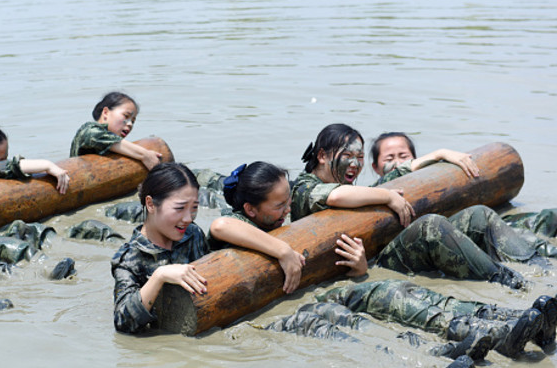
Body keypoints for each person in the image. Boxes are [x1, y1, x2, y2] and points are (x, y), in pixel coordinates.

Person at [292, 123, 529, 289]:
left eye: (360, 157)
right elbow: (334, 197)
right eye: (347, 155)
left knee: (479, 215)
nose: (355, 164)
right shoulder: (303, 187)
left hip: (370, 256)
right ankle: (504, 281)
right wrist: (387, 197)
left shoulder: (360, 188)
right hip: (353, 269)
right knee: (431, 226)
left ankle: (532, 265)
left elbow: (397, 175)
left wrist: (439, 154)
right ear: (322, 156)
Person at [267, 279, 557, 360]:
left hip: (353, 287)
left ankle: (515, 320)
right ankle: (486, 337)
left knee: (443, 302)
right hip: (337, 296)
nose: (354, 162)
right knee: (335, 318)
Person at [370, 131, 557, 239]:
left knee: (547, 218)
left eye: (403, 156)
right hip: (445, 236)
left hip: (466, 224)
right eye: (389, 158)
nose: (397, 162)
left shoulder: (427, 180)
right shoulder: (372, 192)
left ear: (415, 158)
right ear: (376, 167)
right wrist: (439, 153)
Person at [111, 162, 209, 333]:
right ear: (150, 204)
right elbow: (122, 322)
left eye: (194, 208)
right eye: (179, 208)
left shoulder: (193, 234)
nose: (188, 218)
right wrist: (159, 276)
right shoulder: (129, 258)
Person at [207, 162, 308, 293]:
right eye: (279, 206)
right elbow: (220, 226)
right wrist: (283, 250)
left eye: (288, 200)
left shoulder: (269, 219)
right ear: (250, 210)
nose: (288, 209)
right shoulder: (240, 221)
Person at [70, 91, 162, 170]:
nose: (130, 124)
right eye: (126, 116)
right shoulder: (88, 130)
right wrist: (145, 155)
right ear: (106, 112)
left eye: (133, 121)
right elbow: (94, 135)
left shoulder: (118, 147)